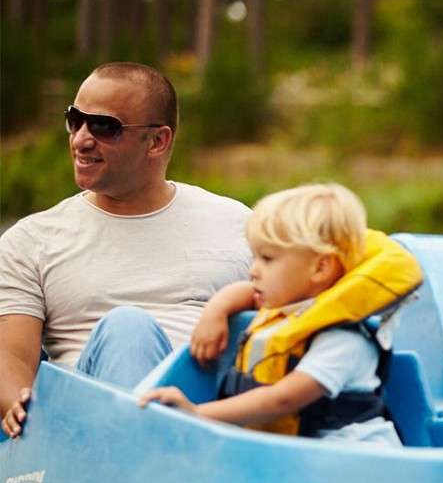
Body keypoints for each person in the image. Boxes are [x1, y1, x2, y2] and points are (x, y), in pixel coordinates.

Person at [1, 62, 251, 439]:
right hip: (86, 431)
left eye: (103, 127)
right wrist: (20, 408)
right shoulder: (31, 240)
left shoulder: (238, 224)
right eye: (75, 119)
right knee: (127, 329)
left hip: (207, 418)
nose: (81, 139)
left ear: (157, 141)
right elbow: (12, 355)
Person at [137, 183, 423, 445]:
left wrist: (196, 413)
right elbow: (247, 292)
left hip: (356, 466)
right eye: (254, 257)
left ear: (320, 268)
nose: (253, 270)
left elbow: (283, 401)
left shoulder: (343, 339)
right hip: (298, 458)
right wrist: (217, 309)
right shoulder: (292, 310)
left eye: (268, 259)